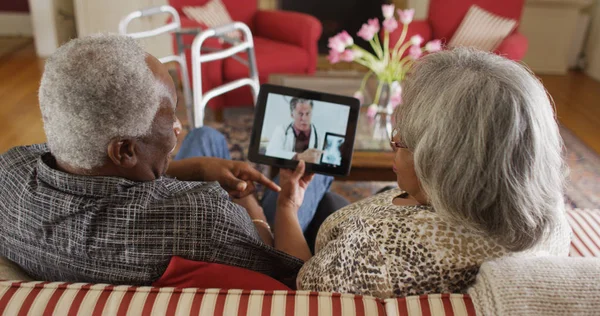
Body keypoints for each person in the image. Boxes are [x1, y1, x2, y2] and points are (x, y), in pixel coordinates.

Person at [0, 34, 347, 288]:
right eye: (170, 117)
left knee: (206, 140)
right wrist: (277, 202)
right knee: (319, 189)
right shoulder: (203, 218)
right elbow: (290, 274)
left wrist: (194, 168)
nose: (180, 126)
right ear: (124, 151)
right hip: (247, 240)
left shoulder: (8, 174)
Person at [288, 48, 572, 298]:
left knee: (307, 189)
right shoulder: (551, 221)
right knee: (334, 201)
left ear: (451, 164)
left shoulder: (368, 256)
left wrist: (287, 207)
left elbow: (301, 290)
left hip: (330, 252)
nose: (394, 140)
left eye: (406, 141)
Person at [265, 98, 324, 163]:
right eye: (300, 114)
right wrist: (298, 157)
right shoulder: (281, 130)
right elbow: (270, 153)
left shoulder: (320, 135)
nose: (304, 118)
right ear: (292, 114)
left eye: (307, 114)